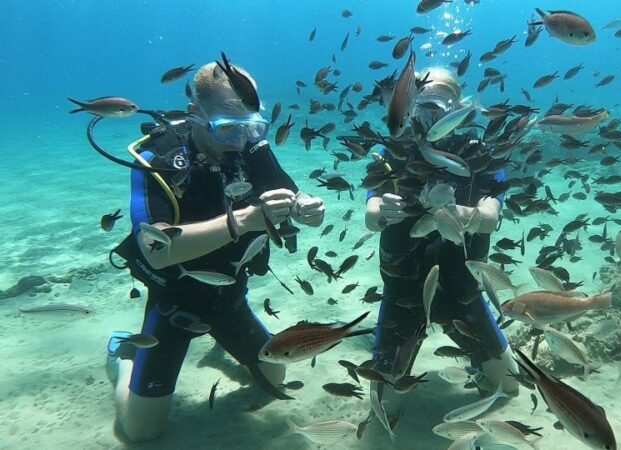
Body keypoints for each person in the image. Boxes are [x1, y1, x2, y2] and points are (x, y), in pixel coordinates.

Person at [106, 61, 325, 442]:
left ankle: (219, 345)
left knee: (275, 375)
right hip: (174, 303)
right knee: (140, 431)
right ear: (195, 115)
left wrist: (306, 207)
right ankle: (125, 357)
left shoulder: (250, 146)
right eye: (226, 129)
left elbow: (287, 192)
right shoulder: (157, 159)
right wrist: (241, 222)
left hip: (229, 297)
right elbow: (155, 249)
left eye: (253, 126)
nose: (240, 141)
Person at [363, 67, 520, 422]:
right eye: (422, 107)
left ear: (459, 110)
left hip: (460, 289)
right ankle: (390, 350)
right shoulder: (391, 152)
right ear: (409, 106)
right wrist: (382, 211)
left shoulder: (481, 156)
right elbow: (371, 214)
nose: (432, 117)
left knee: (510, 389)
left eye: (442, 108)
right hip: (404, 290)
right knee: (381, 411)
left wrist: (468, 217)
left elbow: (492, 215)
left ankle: (479, 362)